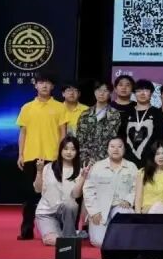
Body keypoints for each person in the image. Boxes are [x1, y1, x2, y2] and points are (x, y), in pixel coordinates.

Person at [15, 75, 64, 240]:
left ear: (52, 87)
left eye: (48, 83)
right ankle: (27, 230)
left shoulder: (60, 107)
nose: (44, 86)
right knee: (30, 196)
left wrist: (61, 156)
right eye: (41, 83)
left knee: (55, 195)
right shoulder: (27, 107)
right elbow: (23, 133)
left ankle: (58, 229)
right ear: (35, 85)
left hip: (53, 156)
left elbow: (63, 133)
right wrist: (21, 154)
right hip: (31, 156)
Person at [82, 137, 138, 247]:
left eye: (119, 146)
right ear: (107, 149)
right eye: (112, 146)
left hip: (121, 206)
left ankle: (119, 236)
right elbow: (88, 190)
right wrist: (94, 211)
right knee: (99, 242)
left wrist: (129, 200)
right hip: (100, 209)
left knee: (125, 216)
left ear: (124, 149)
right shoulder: (98, 166)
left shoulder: (131, 167)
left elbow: (136, 187)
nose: (116, 149)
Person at [32, 136, 86, 245]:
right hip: (46, 212)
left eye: (73, 149)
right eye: (65, 149)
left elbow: (76, 195)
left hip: (65, 212)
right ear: (60, 150)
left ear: (77, 152)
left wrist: (83, 177)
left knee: (71, 204)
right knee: (51, 240)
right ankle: (71, 235)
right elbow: (37, 189)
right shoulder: (49, 167)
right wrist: (39, 171)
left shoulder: (79, 171)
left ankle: (69, 237)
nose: (69, 152)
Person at [76, 80, 125, 166]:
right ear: (94, 92)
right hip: (85, 161)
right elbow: (80, 140)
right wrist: (85, 160)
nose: (101, 93)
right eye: (99, 90)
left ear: (110, 93)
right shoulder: (85, 114)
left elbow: (115, 140)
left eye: (105, 90)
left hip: (107, 161)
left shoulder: (115, 114)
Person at [123, 80, 163, 168]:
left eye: (146, 90)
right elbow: (121, 136)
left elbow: (162, 138)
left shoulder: (158, 113)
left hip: (151, 161)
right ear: (134, 94)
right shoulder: (128, 112)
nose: (142, 93)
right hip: (127, 160)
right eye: (138, 91)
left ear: (151, 93)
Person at [134, 142, 163, 213]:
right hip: (147, 210)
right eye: (157, 154)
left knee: (159, 206)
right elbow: (138, 198)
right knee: (157, 207)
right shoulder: (142, 172)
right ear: (152, 156)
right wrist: (138, 215)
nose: (161, 157)